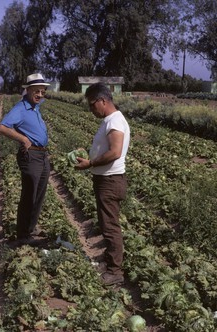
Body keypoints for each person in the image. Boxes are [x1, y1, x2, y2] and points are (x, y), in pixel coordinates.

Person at [75, 83, 130, 285]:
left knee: (110, 227)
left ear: (103, 101)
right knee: (107, 224)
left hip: (110, 181)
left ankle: (115, 272)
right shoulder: (110, 120)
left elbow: (115, 152)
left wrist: (90, 163)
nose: (91, 109)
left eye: (92, 105)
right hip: (106, 179)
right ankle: (109, 263)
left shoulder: (115, 121)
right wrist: (89, 153)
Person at [0, 73, 51, 245]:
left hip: (42, 155)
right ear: (27, 90)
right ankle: (22, 235)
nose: (40, 95)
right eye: (36, 91)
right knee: (29, 194)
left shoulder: (36, 107)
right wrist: (23, 139)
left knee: (40, 194)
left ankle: (30, 228)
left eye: (42, 92)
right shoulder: (21, 108)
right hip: (31, 156)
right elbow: (3, 127)